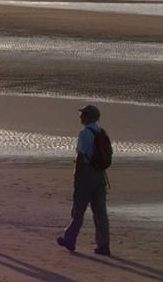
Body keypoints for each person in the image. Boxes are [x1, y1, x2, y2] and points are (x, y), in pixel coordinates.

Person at [57, 104, 110, 256]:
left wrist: (76, 177)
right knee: (100, 213)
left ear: (87, 117)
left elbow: (81, 156)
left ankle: (70, 239)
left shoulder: (84, 134)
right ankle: (104, 245)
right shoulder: (102, 132)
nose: (80, 116)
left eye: (82, 114)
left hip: (86, 175)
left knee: (78, 210)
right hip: (100, 175)